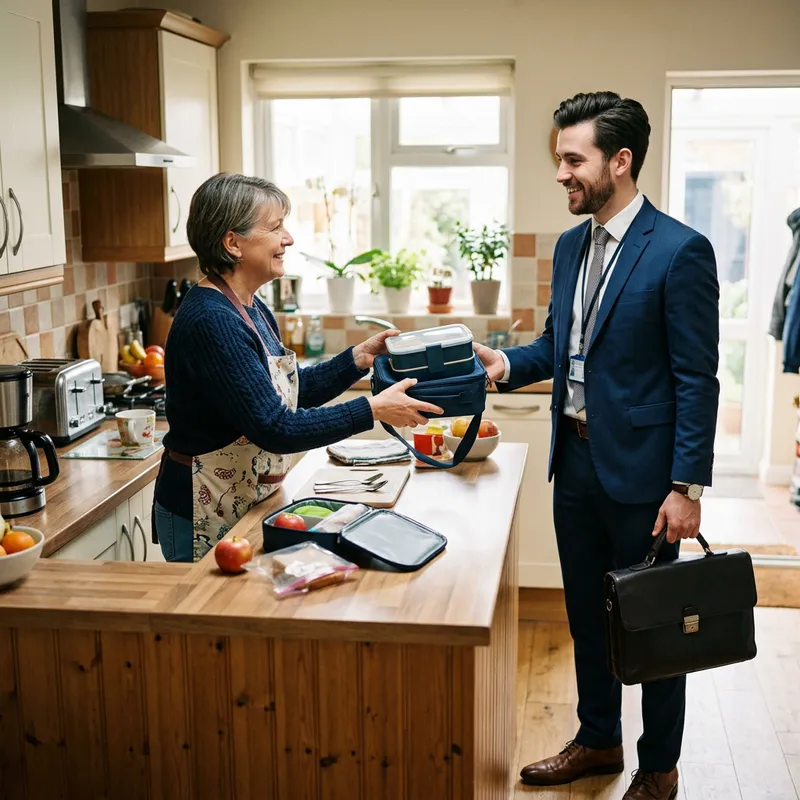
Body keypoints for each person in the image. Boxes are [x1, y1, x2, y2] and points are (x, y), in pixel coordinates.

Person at [475, 92, 719, 800]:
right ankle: (598, 739)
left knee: (654, 629)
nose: (561, 173)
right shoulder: (571, 243)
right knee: (586, 614)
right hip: (575, 462)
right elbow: (560, 345)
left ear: (620, 160)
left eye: (573, 159)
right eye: (559, 159)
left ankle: (661, 766)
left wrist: (686, 488)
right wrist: (505, 365)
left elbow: (694, 378)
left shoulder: (680, 250)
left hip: (647, 477)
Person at [153, 172, 442, 562]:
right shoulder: (212, 320)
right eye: (275, 228)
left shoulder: (249, 306)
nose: (288, 239)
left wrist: (359, 359)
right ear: (233, 243)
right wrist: (372, 410)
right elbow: (276, 428)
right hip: (202, 508)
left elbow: (286, 390)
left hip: (245, 497)